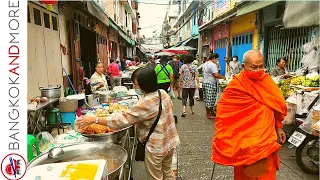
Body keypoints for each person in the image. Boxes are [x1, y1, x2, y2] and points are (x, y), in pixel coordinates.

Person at [76, 67, 180, 180]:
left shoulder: (144, 103)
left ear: (144, 85)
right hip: (170, 141)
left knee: (156, 177)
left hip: (156, 147)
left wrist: (95, 119)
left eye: (136, 84)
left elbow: (121, 121)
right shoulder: (162, 93)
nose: (135, 87)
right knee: (168, 172)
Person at [212, 50, 287, 180]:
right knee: (246, 173)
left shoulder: (266, 81)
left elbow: (276, 105)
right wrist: (223, 136)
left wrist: (279, 127)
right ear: (243, 66)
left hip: (265, 137)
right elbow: (224, 113)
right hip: (244, 141)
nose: (258, 70)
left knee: (266, 172)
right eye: (254, 67)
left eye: (261, 66)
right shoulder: (236, 86)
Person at [202, 53, 226, 119]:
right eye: (217, 59)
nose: (217, 60)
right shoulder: (212, 65)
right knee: (211, 98)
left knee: (207, 98)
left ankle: (211, 112)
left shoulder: (205, 64)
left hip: (205, 82)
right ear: (214, 58)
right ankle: (208, 114)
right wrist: (223, 77)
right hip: (211, 83)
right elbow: (216, 75)